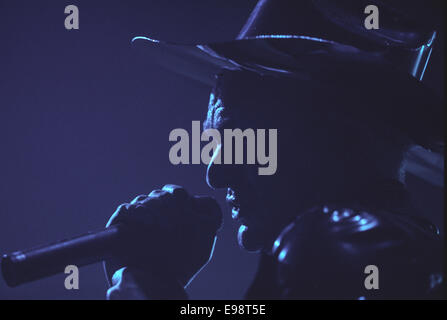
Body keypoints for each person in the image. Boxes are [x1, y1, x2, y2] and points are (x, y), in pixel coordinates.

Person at [104, 0, 444, 299]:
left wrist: (147, 286)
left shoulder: (331, 242)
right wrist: (159, 282)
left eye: (245, 142)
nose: (216, 174)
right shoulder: (392, 250)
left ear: (334, 138)